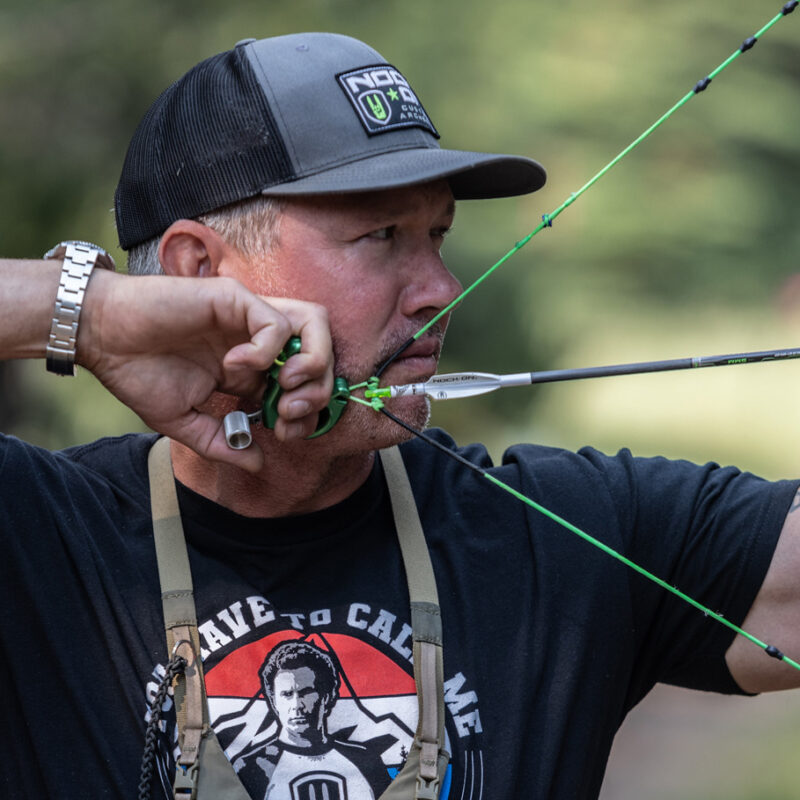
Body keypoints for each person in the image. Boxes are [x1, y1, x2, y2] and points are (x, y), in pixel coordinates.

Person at [1, 31, 799, 800]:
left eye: (438, 234)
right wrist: (83, 310)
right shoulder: (38, 536)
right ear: (197, 271)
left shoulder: (559, 533)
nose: (441, 289)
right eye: (381, 235)